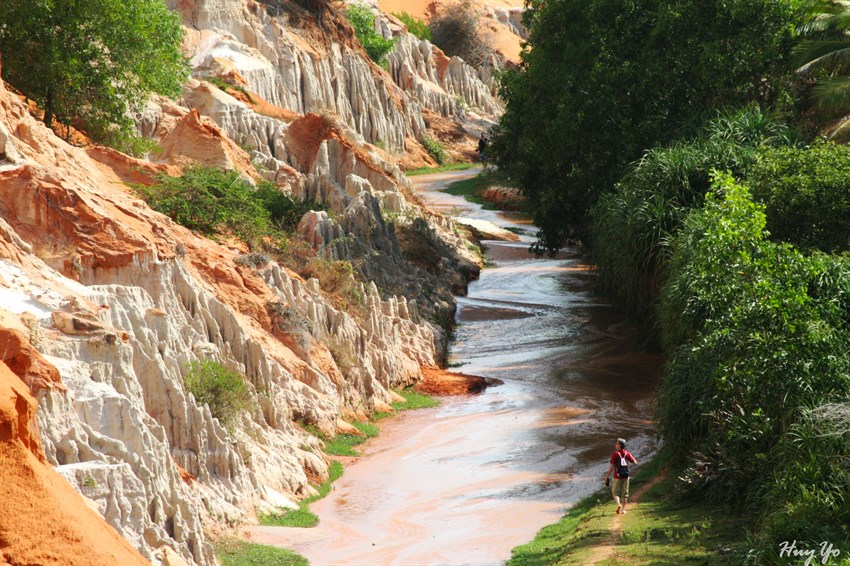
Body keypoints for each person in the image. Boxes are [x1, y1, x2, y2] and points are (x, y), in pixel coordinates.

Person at [603, 438, 637, 514]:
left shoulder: (614, 454)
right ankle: (623, 510)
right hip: (626, 476)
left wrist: (607, 476)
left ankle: (619, 505)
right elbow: (635, 462)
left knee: (614, 492)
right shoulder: (627, 453)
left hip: (617, 476)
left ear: (620, 445)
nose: (615, 445)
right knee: (625, 494)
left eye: (617, 443)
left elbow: (611, 467)